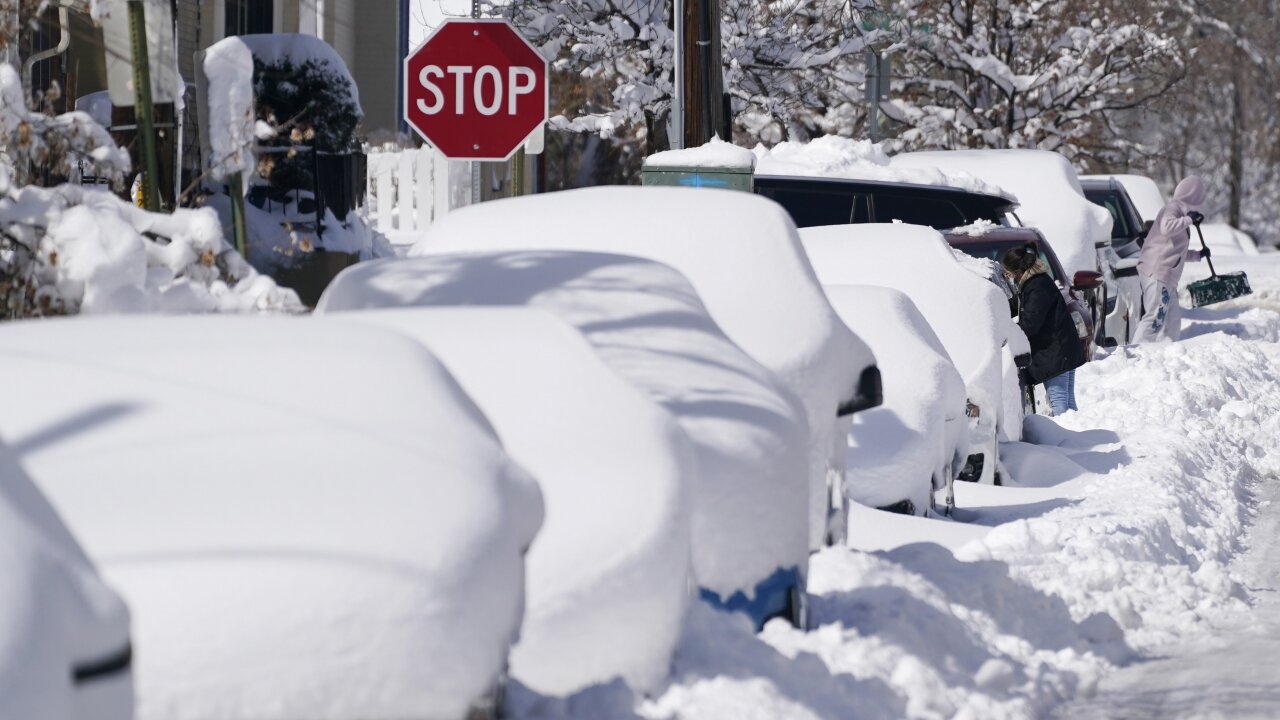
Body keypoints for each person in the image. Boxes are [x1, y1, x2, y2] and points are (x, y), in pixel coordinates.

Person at [1002, 243, 1086, 416]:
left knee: (1059, 402)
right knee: (1067, 402)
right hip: (1061, 349)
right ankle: (1076, 439)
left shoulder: (1036, 286)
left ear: (1017, 271)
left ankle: (1068, 440)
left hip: (1055, 352)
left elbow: (1031, 323)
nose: (1007, 277)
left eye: (1007, 273)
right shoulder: (1034, 283)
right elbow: (1018, 305)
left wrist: (1008, 336)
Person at [1135, 175, 1210, 343]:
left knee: (1172, 320)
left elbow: (1175, 251)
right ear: (1192, 196)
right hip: (1157, 272)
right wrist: (1189, 219)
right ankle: (1135, 354)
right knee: (1155, 317)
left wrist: (1197, 255)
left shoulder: (1180, 214)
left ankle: (1167, 353)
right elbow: (1167, 227)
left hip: (1166, 276)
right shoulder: (1173, 209)